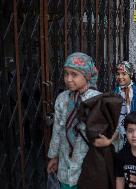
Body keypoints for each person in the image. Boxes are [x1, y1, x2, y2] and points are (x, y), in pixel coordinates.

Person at [47, 52, 104, 189]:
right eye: (66, 74)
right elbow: (57, 130)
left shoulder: (97, 100)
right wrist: (54, 156)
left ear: (87, 76)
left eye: (74, 74)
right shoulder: (62, 98)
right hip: (65, 164)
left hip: (88, 164)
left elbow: (108, 133)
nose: (68, 79)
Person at [112, 61, 136, 152]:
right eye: (118, 74)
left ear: (131, 74)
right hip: (117, 133)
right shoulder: (114, 92)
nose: (120, 77)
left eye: (124, 74)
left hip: (132, 134)